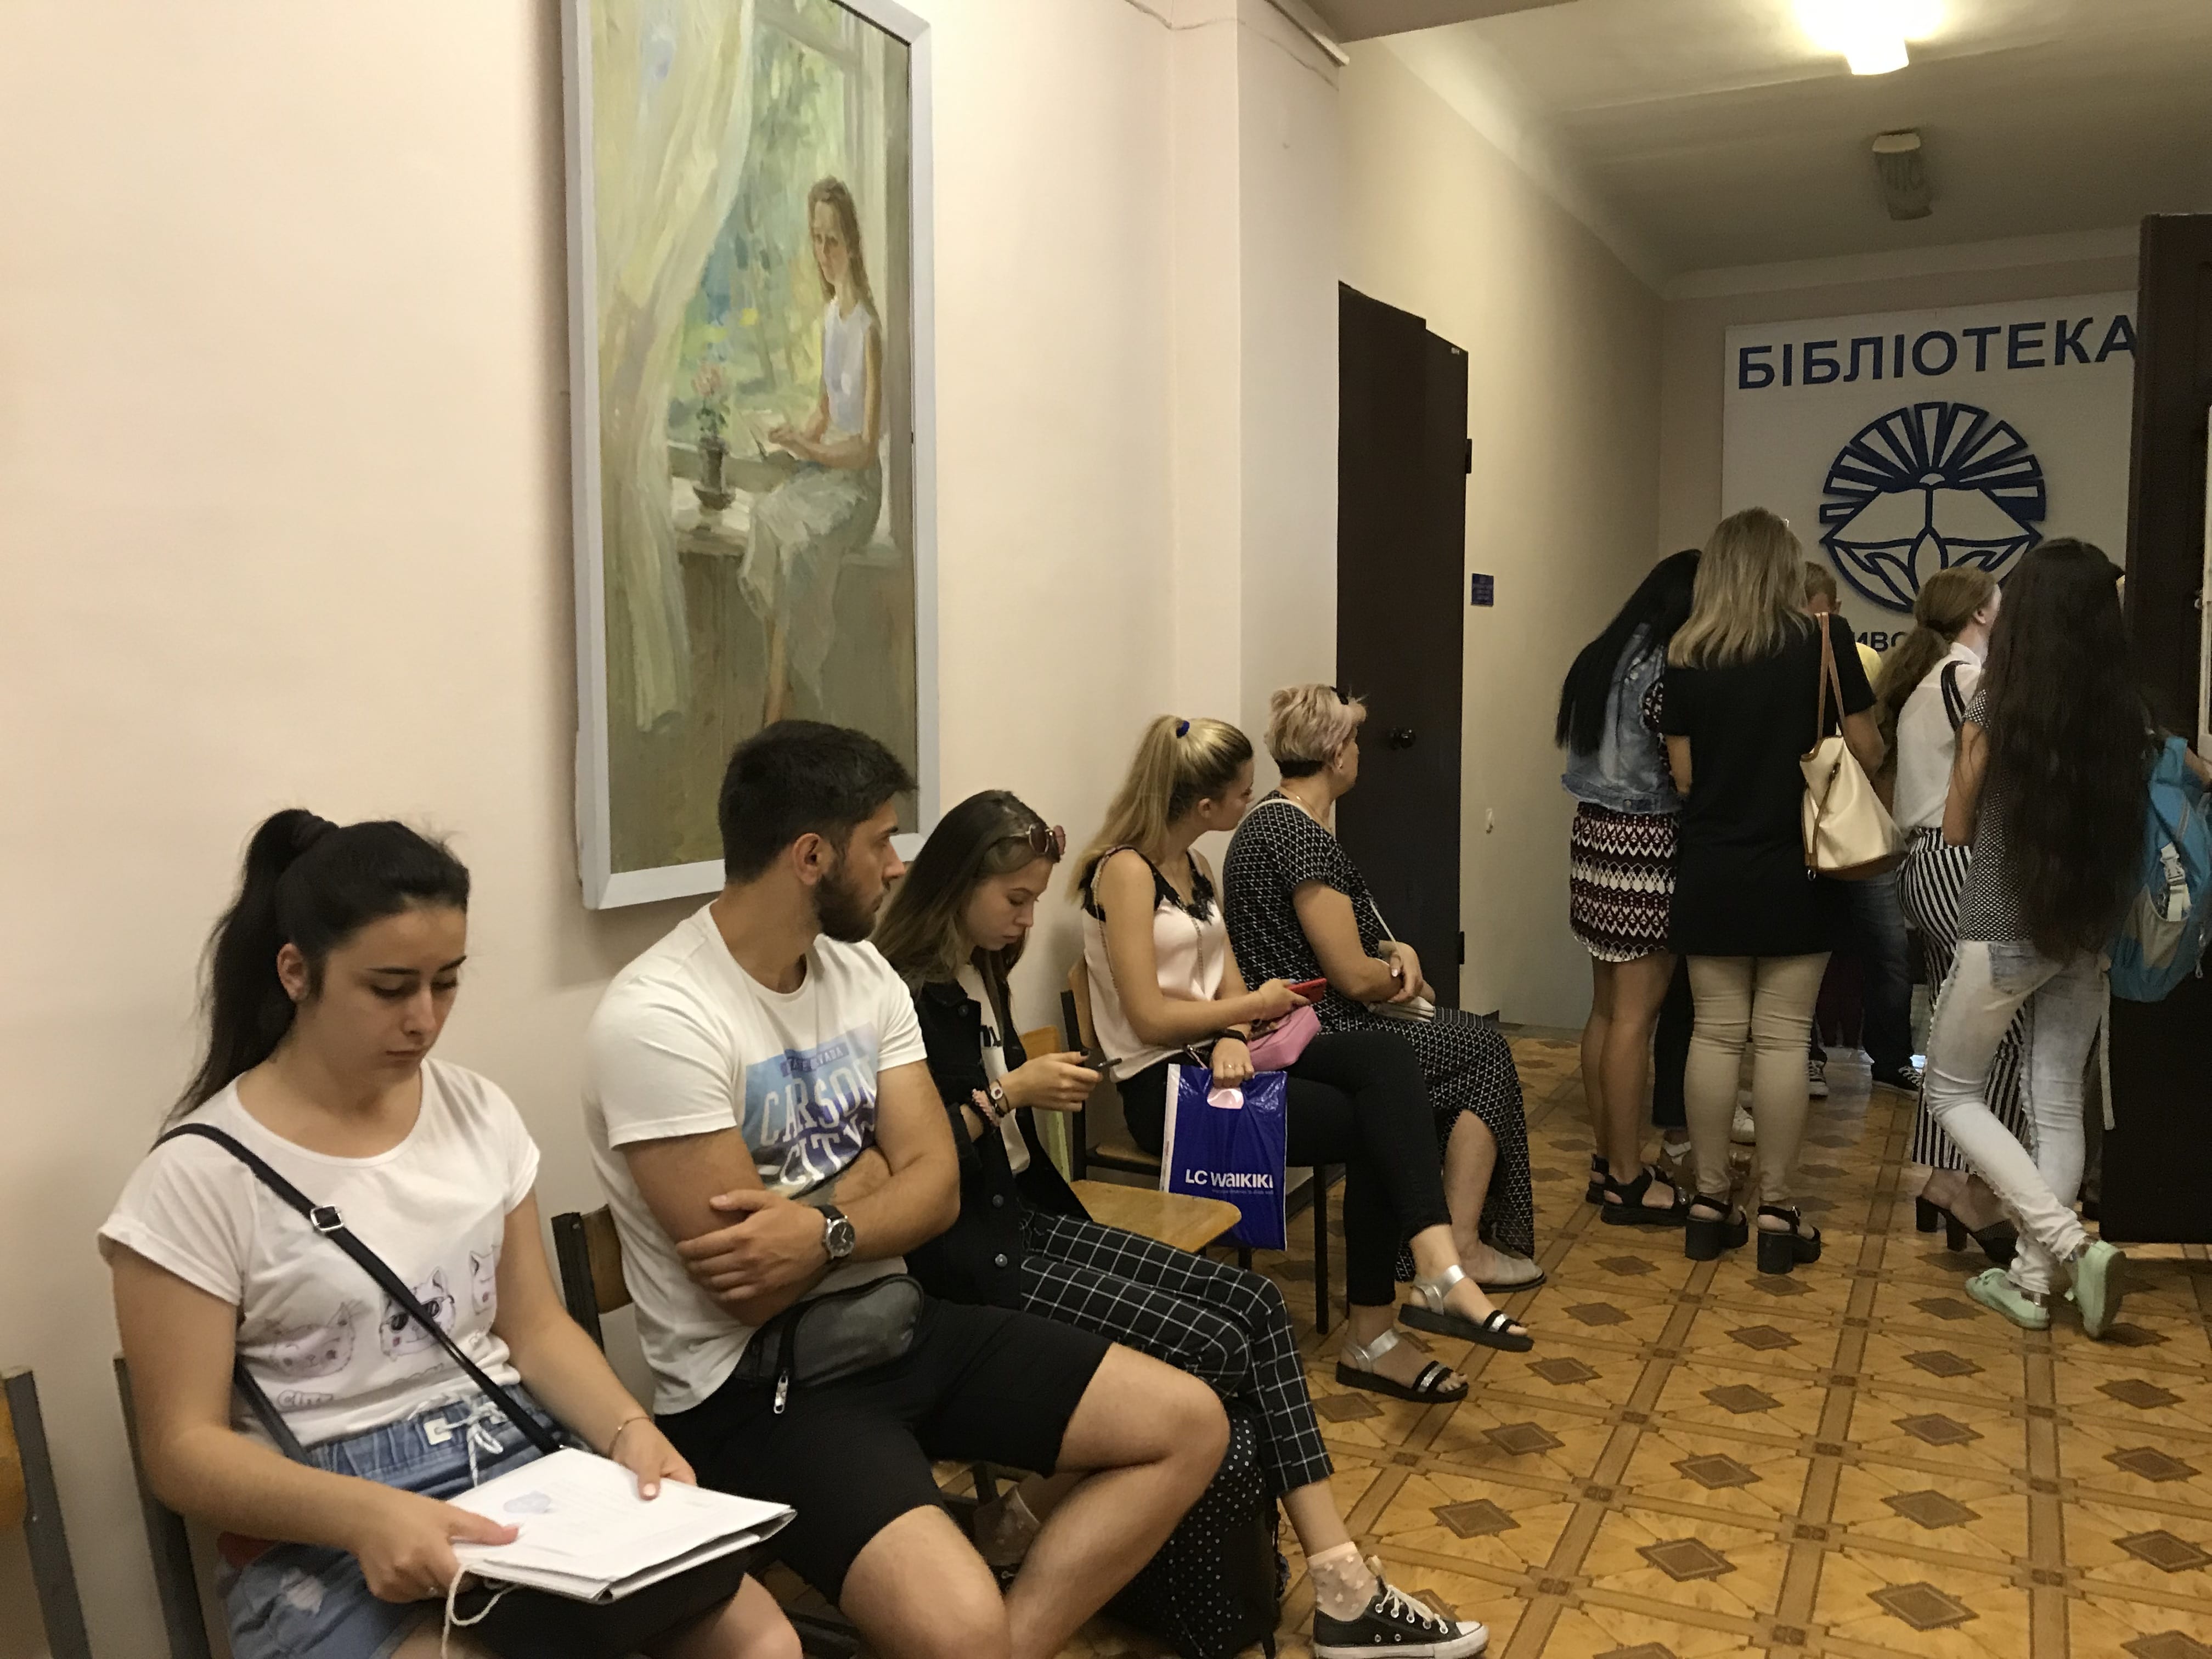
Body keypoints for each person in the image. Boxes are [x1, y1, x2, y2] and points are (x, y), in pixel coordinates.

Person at [584, 721, 1228, 1659]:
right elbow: (751, 1285)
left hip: (899, 1321)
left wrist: (824, 1225)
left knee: (1188, 1423)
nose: (897, 866)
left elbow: (938, 1191)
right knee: (958, 1629)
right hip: (760, 1385)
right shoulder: (661, 1015)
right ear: (811, 856)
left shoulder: (862, 972)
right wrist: (879, 1179)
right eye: (881, 840)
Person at [101, 812, 795, 1659]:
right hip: (328, 1518)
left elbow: (532, 1327)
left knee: (761, 1638)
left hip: (512, 1458)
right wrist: (365, 1514)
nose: (424, 1020)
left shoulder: (477, 1111)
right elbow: (182, 1451)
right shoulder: (197, 1178)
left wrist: (626, 1429)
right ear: (296, 972)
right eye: (390, 988)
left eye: (447, 983)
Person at [876, 789, 1488, 1659]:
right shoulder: (902, 994)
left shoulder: (981, 968)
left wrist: (1023, 1085)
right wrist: (1010, 1093)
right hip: (974, 1250)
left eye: (1034, 902)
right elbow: (909, 1161)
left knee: (1258, 1306)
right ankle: (1341, 1588)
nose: (1026, 922)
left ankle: (1335, 1577)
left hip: (1028, 1215)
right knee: (1216, 1345)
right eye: (1014, 900)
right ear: (957, 884)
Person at [1080, 715, 1532, 1392]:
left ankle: (1435, 1267)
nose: (1251, 800)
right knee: (1378, 1125)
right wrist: (1249, 1012)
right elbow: (1147, 1017)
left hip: (1223, 1055)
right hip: (1166, 1088)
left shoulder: (1195, 867)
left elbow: (1228, 983)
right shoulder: (1123, 871)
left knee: (1385, 1059)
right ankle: (1380, 1329)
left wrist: (1236, 1029)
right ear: (1203, 805)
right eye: (1242, 792)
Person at [1922, 540, 2188, 1335]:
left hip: (2003, 924)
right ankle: (2032, 1285)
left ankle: (2070, 1247)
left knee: (1950, 1089)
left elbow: (1956, 826)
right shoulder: (2128, 714)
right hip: (2086, 929)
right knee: (2057, 1100)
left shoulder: (1998, 703)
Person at [1225, 691, 1541, 1292]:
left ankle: (1431, 1241)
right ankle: (1460, 1250)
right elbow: (1349, 973)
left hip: (1304, 1023)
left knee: (1468, 1043)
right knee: (1483, 1052)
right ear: (1335, 755)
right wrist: (1403, 976)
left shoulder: (1273, 820)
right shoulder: (1297, 835)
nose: (1359, 753)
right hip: (1320, 1029)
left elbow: (1351, 938)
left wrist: (1398, 951)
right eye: (1354, 741)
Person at [1662, 510, 1883, 1274]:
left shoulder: (1689, 654)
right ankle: (1779, 1212)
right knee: (1785, 1038)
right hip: (1800, 866)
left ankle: (1708, 1202)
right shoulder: (1824, 643)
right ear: (1786, 568)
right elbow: (1867, 749)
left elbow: (1684, 776)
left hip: (1712, 867)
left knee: (1716, 1033)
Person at [1875, 568, 2021, 1262]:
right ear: (1981, 614)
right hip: (1962, 860)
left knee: (1952, 1027)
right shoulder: (1969, 681)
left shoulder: (1927, 681)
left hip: (1924, 864)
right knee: (2008, 1026)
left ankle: (1944, 1179)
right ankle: (1980, 1188)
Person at [1556, 550, 1700, 1224]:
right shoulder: (1668, 669)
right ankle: (1627, 1175)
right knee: (1637, 1019)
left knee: (1607, 1010)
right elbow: (1684, 775)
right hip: (1646, 844)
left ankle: (1604, 1156)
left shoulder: (1600, 655)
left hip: (1594, 837)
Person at [744, 178, 886, 726]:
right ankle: (781, 684)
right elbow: (825, 412)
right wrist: (792, 439)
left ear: (852, 245)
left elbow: (865, 447)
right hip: (827, 472)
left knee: (801, 548)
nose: (823, 253)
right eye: (816, 239)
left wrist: (811, 449)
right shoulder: (830, 320)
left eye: (833, 241)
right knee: (767, 516)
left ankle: (778, 704)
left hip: (858, 488)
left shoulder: (868, 331)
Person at [1802, 562, 1918, 1099]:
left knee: (1816, 948)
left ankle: (1818, 1058)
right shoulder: (1847, 652)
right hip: (1848, 814)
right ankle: (1888, 1059)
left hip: (1809, 820)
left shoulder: (1850, 656)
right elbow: (1871, 749)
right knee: (1882, 946)